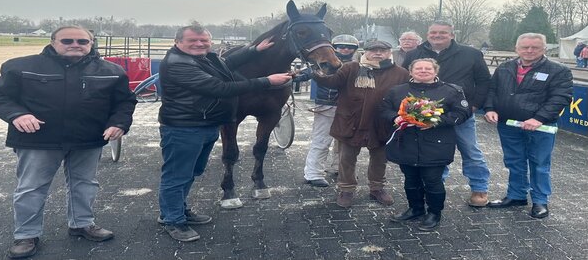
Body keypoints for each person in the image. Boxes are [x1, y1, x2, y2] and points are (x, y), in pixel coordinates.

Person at [0, 26, 137, 259]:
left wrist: (119, 123)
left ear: (91, 43)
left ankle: (82, 224)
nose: (75, 44)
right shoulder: (20, 67)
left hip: (88, 139)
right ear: (53, 42)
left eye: (82, 41)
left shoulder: (112, 71)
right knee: (31, 188)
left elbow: (125, 102)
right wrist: (17, 114)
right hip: (38, 139)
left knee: (85, 184)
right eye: (67, 40)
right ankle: (26, 235)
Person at [157, 24, 292, 242]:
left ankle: (179, 210)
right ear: (178, 42)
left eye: (204, 41)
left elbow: (226, 63)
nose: (199, 44)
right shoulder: (177, 64)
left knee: (191, 172)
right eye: (193, 41)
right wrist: (268, 81)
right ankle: (172, 220)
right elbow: (221, 87)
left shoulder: (204, 58)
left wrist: (253, 51)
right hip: (184, 128)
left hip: (205, 124)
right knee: (176, 175)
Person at [403, 20, 492, 207]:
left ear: (452, 35)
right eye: (433, 33)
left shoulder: (471, 54)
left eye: (443, 33)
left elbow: (484, 81)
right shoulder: (414, 54)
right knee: (432, 153)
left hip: (460, 114)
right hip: (426, 116)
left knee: (470, 151)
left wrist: (474, 106)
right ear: (427, 34)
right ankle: (434, 187)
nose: (437, 36)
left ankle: (479, 188)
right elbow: (405, 81)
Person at [484, 33, 573, 219]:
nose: (529, 50)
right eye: (525, 47)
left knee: (539, 164)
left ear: (544, 49)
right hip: (508, 125)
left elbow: (560, 97)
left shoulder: (558, 70)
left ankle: (540, 201)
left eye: (535, 47)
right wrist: (490, 108)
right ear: (517, 49)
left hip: (539, 127)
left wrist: (539, 118)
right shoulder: (505, 67)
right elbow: (492, 90)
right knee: (514, 162)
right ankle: (516, 196)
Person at [313, 40, 410, 208]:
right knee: (347, 158)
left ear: (390, 52)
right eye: (373, 50)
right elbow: (332, 82)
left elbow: (408, 94)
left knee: (380, 159)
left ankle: (377, 188)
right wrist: (316, 73)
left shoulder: (401, 73)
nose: (378, 53)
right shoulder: (352, 67)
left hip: (382, 122)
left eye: (383, 50)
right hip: (351, 120)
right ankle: (346, 189)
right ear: (366, 52)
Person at [381, 58, 471, 230]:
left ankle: (434, 213)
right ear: (411, 71)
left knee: (432, 180)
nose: (423, 71)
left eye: (428, 68)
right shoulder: (397, 91)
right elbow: (383, 109)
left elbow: (462, 112)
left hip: (436, 143)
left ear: (435, 71)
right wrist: (395, 117)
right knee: (411, 179)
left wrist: (436, 121)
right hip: (406, 142)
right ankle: (415, 209)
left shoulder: (451, 91)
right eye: (419, 68)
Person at [293, 34, 360, 188]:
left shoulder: (359, 65)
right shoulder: (322, 63)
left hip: (351, 107)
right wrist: (290, 78)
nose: (345, 49)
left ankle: (341, 168)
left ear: (354, 49)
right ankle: (313, 173)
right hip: (327, 105)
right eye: (341, 46)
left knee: (346, 140)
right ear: (334, 48)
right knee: (322, 139)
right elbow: (304, 75)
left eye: (349, 47)